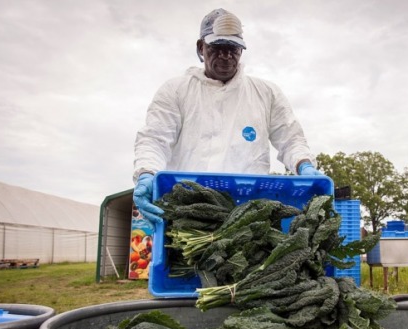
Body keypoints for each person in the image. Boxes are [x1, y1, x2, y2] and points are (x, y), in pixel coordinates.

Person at [133, 8, 322, 224]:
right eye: (217, 47)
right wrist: (147, 173)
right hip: (186, 211)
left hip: (247, 213)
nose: (226, 56)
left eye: (233, 48)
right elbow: (154, 139)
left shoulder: (266, 93)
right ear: (201, 48)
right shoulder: (176, 90)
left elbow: (291, 139)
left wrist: (304, 165)